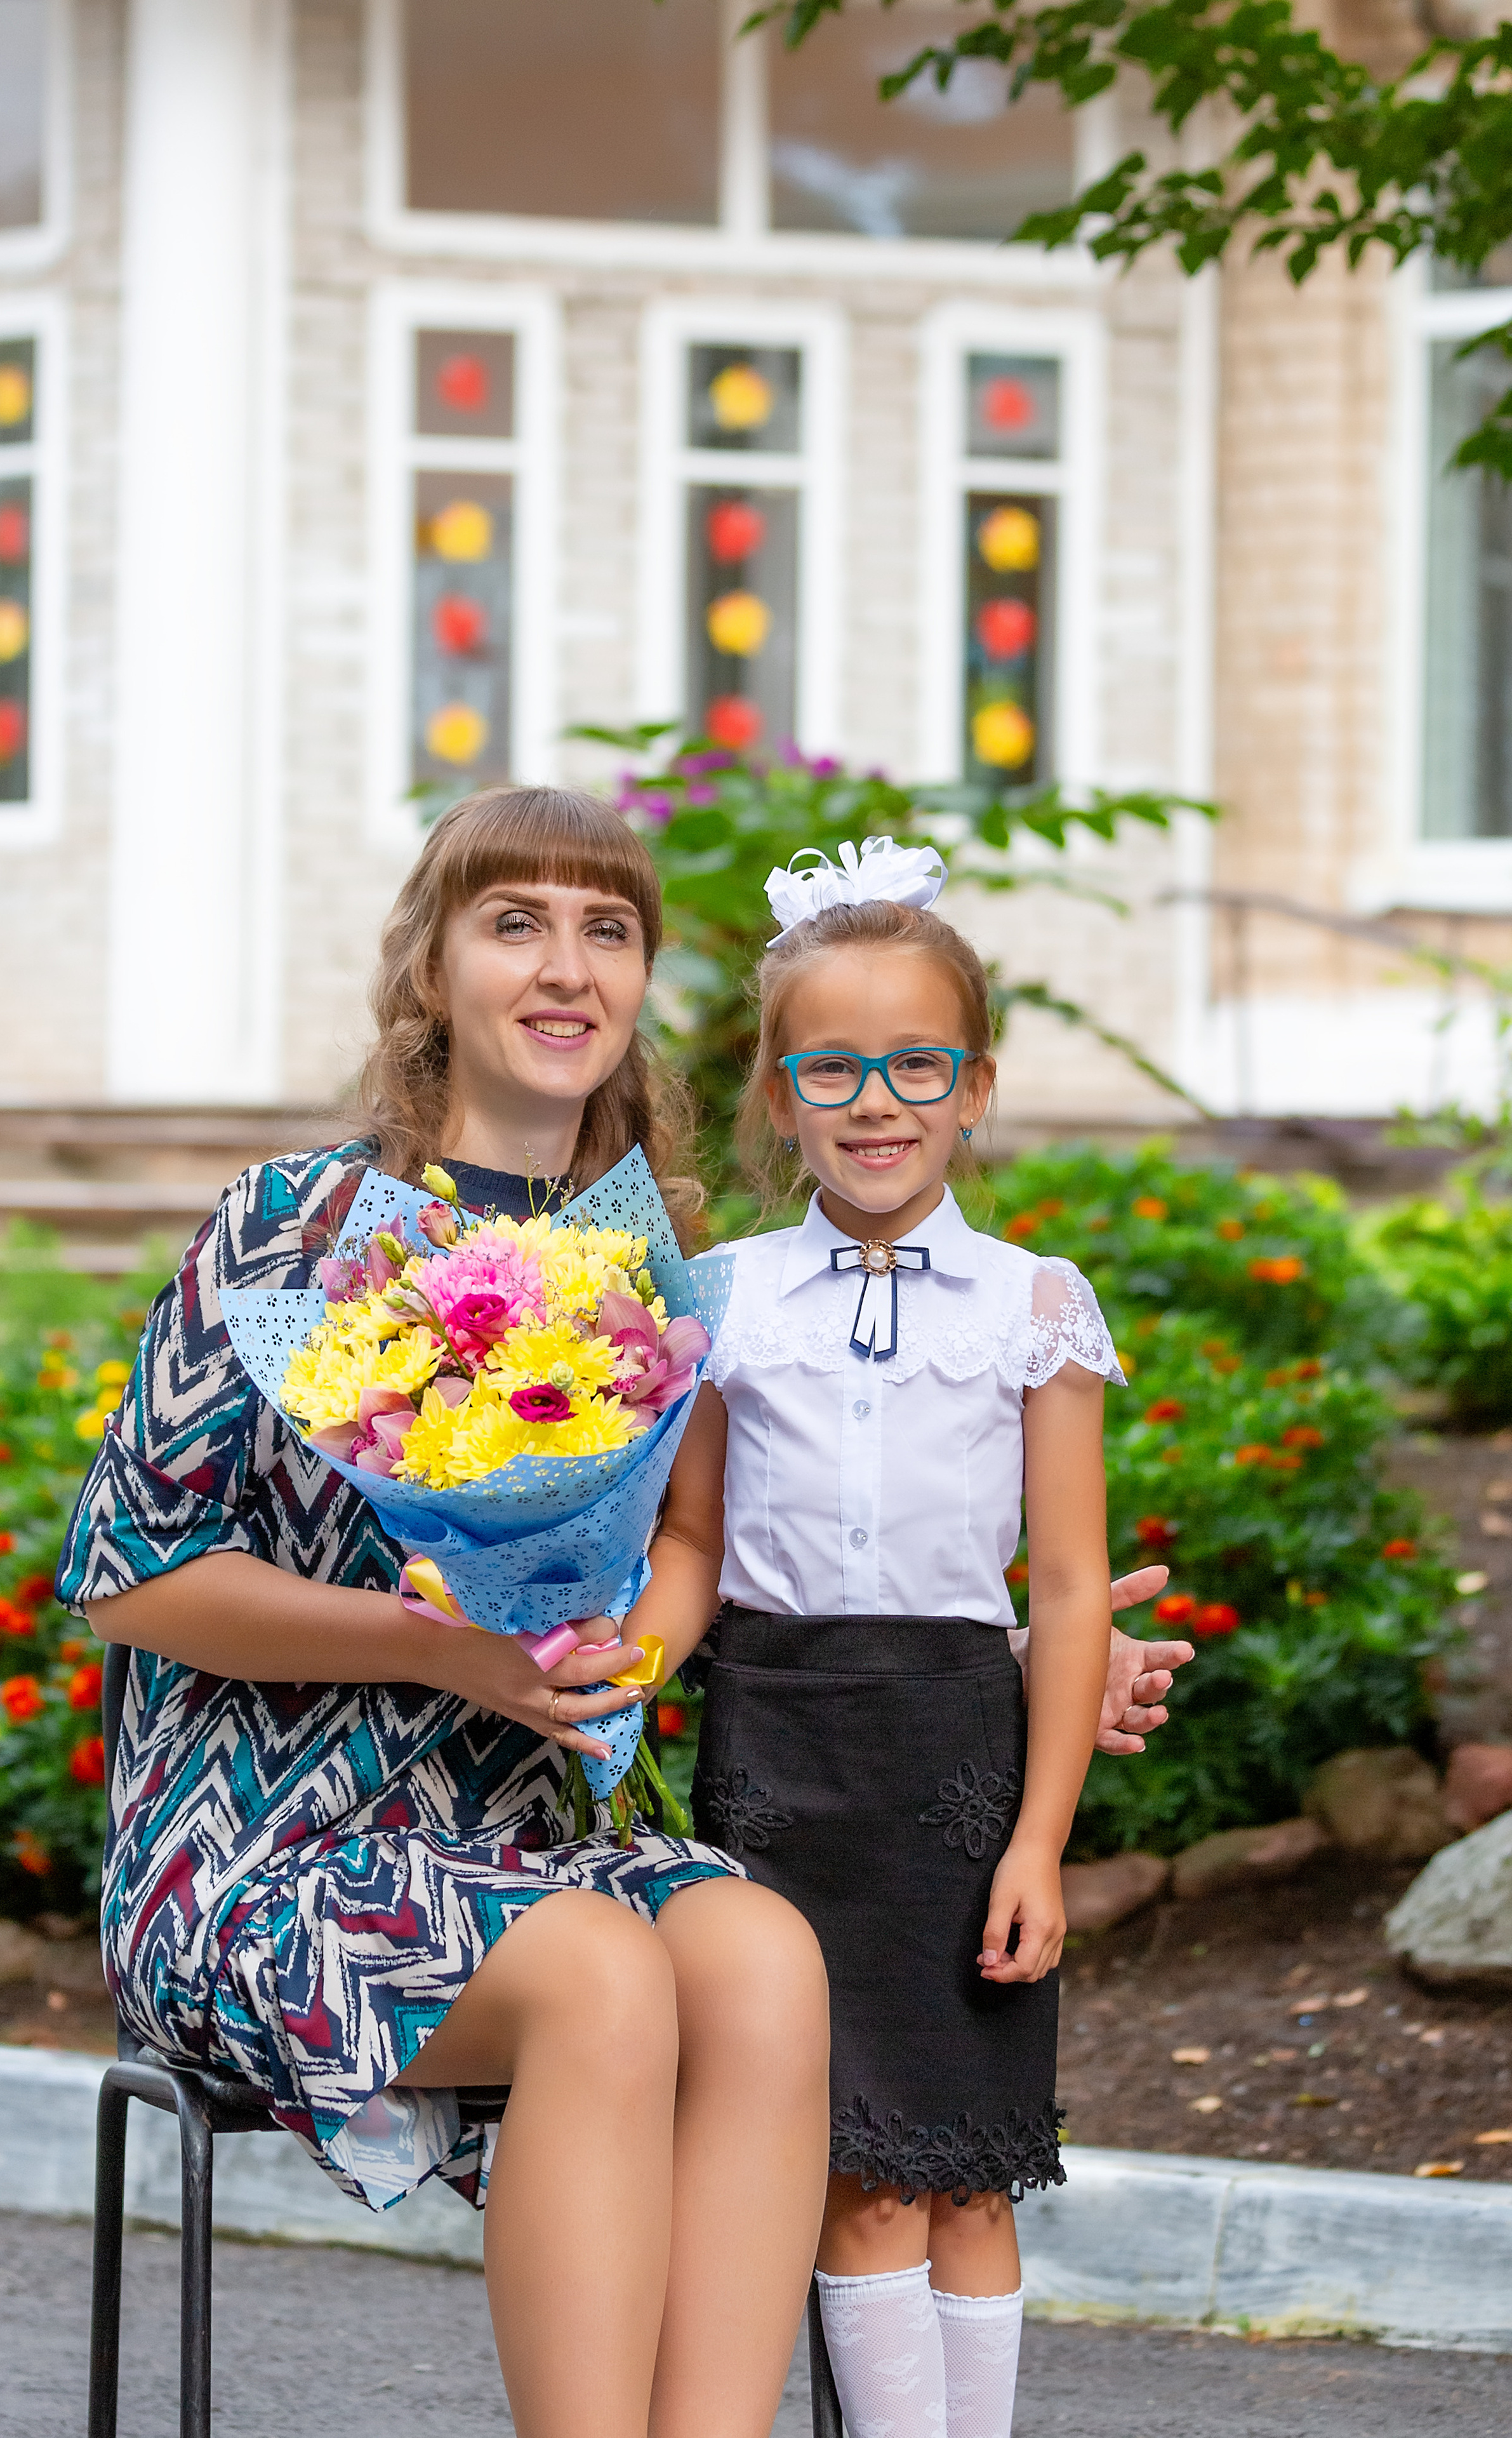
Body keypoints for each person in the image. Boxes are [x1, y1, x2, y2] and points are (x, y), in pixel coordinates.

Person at [58, 787, 1184, 2438]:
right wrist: (439, 1650)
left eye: (607, 928)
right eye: (515, 921)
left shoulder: (652, 1260)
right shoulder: (288, 1226)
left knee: (761, 1953)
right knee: (599, 1973)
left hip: (514, 1837)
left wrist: (1012, 1658)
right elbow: (132, 1583)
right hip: (256, 1858)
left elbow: (699, 1562)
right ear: (430, 972)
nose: (565, 963)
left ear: (647, 979)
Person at [576, 843, 1129, 2438]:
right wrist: (633, 1670)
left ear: (973, 1087)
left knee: (964, 2176)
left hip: (958, 1764)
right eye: (831, 1066)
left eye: (914, 1064)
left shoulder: (1032, 1301)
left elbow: (1070, 1591)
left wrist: (1038, 1844)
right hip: (780, 1760)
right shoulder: (722, 1298)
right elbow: (690, 1545)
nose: (873, 1099)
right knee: (857, 2182)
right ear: (777, 1090)